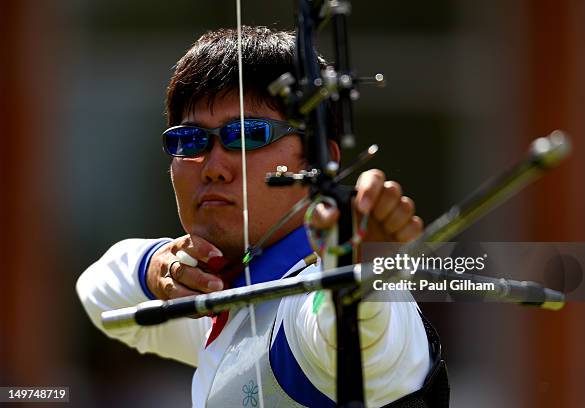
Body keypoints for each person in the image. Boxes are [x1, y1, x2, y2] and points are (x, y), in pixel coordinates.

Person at [77, 26, 447, 407]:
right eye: (189, 140)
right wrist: (155, 269)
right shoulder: (226, 300)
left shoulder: (305, 315)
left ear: (323, 160)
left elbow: (353, 336)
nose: (213, 167)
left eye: (249, 134)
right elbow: (96, 292)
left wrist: (362, 273)